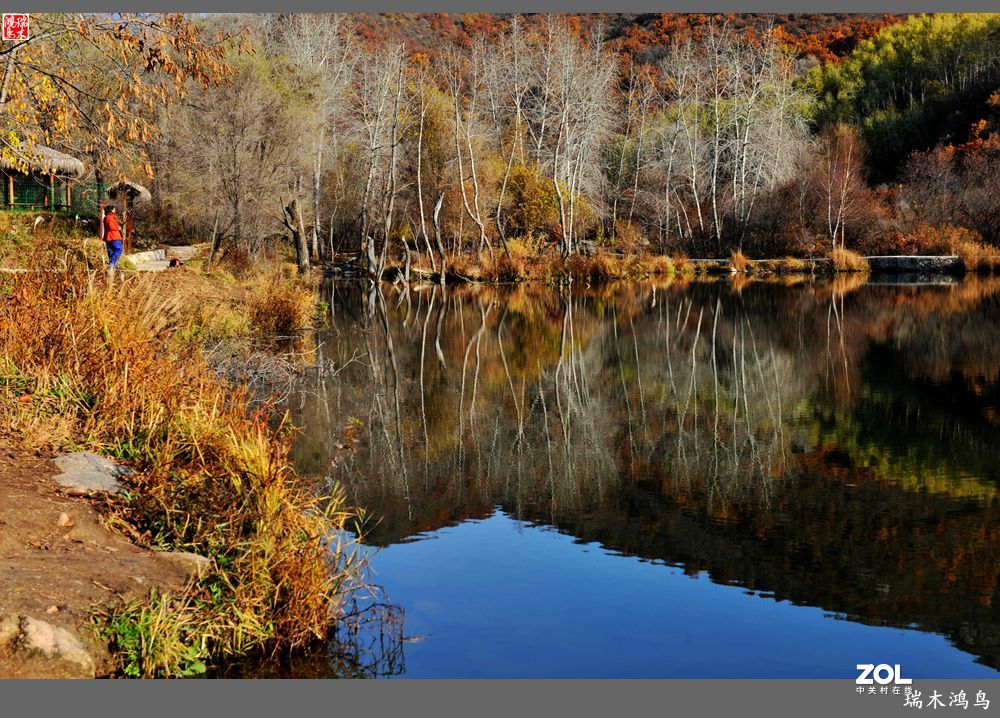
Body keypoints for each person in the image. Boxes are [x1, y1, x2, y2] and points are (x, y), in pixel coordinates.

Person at [102, 204, 123, 270]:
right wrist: (118, 228)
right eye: (114, 209)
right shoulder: (111, 217)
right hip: (114, 236)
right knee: (119, 249)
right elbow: (111, 226)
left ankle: (114, 265)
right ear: (111, 210)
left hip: (108, 237)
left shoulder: (106, 217)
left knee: (111, 251)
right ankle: (112, 263)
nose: (115, 210)